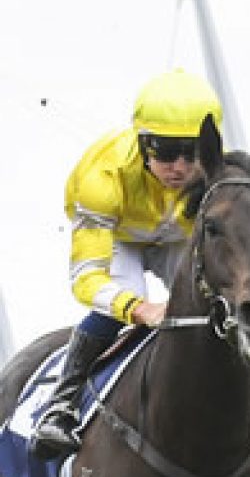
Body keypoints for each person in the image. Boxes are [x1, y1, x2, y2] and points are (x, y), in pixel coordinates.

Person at [31, 69, 226, 456]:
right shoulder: (102, 177)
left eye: (192, 152)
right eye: (165, 151)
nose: (180, 167)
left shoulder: (217, 177)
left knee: (219, 298)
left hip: (173, 237)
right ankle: (61, 403)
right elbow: (88, 279)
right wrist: (137, 308)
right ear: (142, 143)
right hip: (119, 234)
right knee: (125, 297)